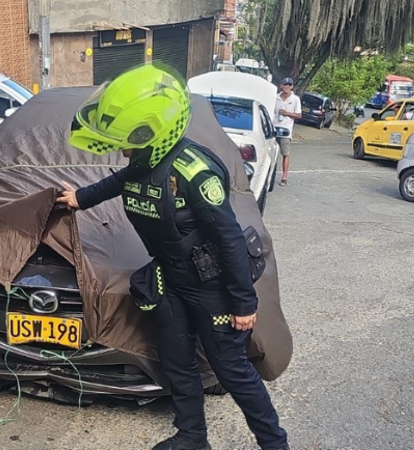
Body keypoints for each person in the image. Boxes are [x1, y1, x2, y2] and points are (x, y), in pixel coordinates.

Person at [55, 64, 289, 450]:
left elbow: (229, 237)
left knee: (232, 371)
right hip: (171, 279)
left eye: (129, 141)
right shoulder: (142, 163)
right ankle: (192, 436)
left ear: (155, 133)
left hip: (212, 286)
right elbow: (120, 180)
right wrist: (80, 198)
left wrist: (244, 302)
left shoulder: (194, 172)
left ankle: (275, 444)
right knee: (178, 361)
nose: (123, 149)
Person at [273, 78, 301, 187]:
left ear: (292, 87)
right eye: (285, 84)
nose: (287, 86)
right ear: (281, 85)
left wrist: (286, 113)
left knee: (285, 154)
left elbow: (298, 115)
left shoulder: (295, 99)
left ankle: (284, 176)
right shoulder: (275, 97)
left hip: (286, 130)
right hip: (274, 128)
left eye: (289, 85)